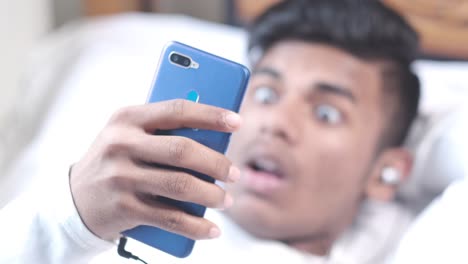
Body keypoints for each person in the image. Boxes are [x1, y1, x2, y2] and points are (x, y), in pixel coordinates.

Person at [0, 0, 421, 263]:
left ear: (388, 172)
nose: (275, 123)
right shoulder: (95, 228)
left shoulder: (419, 240)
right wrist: (73, 219)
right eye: (267, 93)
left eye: (326, 113)